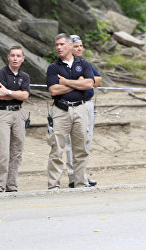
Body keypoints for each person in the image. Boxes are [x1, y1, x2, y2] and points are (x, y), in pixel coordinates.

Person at [46, 33, 95, 189]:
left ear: (69, 45)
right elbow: (54, 90)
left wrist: (66, 82)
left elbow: (89, 84)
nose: (59, 48)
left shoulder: (84, 64)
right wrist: (77, 83)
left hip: (80, 109)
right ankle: (54, 185)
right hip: (61, 110)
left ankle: (80, 183)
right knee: (57, 148)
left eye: (61, 44)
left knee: (81, 148)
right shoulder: (53, 67)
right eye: (57, 45)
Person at [0, 46, 30, 193]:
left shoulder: (25, 77)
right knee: (3, 152)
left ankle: (11, 185)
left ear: (23, 58)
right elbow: (0, 95)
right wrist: (17, 93)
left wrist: (8, 91)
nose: (15, 58)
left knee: (17, 151)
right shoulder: (0, 73)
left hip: (19, 113)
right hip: (2, 113)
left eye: (18, 56)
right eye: (12, 55)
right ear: (8, 57)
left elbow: (25, 96)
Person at [65, 35, 101, 188]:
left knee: (86, 141)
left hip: (87, 104)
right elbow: (60, 83)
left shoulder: (85, 64)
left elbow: (98, 80)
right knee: (71, 143)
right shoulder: (64, 65)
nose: (79, 48)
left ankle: (82, 175)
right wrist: (81, 83)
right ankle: (73, 177)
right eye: (76, 46)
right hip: (70, 106)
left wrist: (85, 81)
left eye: (80, 46)